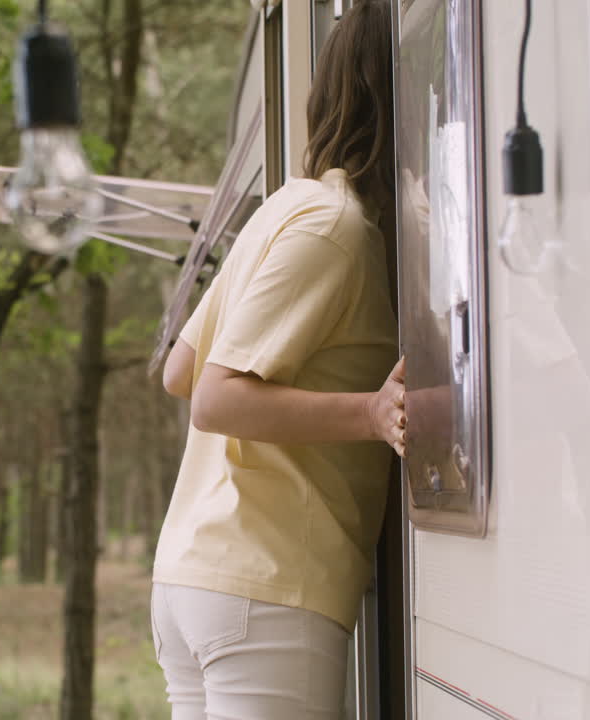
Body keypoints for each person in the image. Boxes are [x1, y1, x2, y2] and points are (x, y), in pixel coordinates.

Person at [151, 2, 405, 718]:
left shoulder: (284, 210)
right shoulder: (335, 228)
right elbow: (214, 396)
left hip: (196, 578)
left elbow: (180, 369)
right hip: (265, 583)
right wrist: (371, 411)